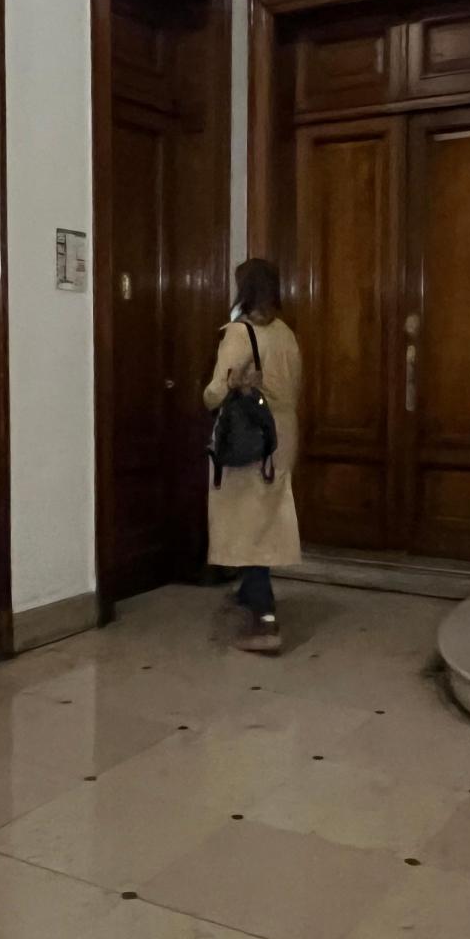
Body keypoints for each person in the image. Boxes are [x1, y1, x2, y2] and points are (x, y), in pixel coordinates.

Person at [203, 259, 302, 653]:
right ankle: (248, 593)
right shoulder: (285, 334)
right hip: (282, 436)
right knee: (266, 518)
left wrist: (221, 389)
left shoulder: (240, 334)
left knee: (247, 524)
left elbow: (215, 392)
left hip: (249, 440)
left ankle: (264, 618)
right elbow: (295, 387)